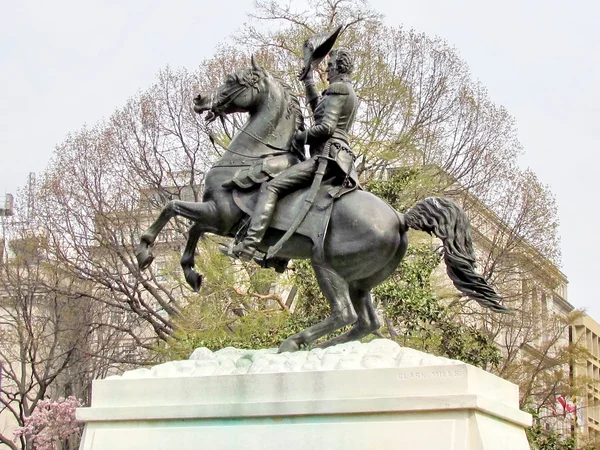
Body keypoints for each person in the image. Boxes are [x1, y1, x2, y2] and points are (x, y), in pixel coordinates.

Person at [232, 48, 360, 261]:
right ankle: (279, 256)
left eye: (329, 66)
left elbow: (326, 127)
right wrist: (309, 81)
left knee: (272, 186)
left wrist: (299, 138)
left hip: (327, 158)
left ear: (339, 67)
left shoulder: (338, 88)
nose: (327, 70)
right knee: (292, 196)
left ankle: (250, 244)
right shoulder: (347, 91)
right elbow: (320, 110)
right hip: (338, 157)